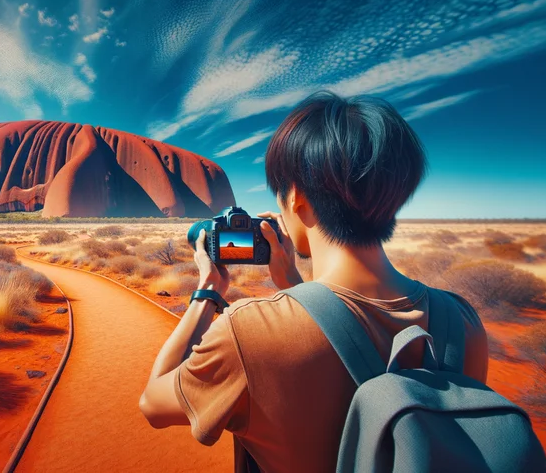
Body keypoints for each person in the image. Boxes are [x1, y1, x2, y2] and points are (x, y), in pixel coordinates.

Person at [138, 91, 489, 472]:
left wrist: (208, 291)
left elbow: (153, 404)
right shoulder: (462, 322)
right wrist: (292, 282)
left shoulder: (249, 332)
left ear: (297, 196)